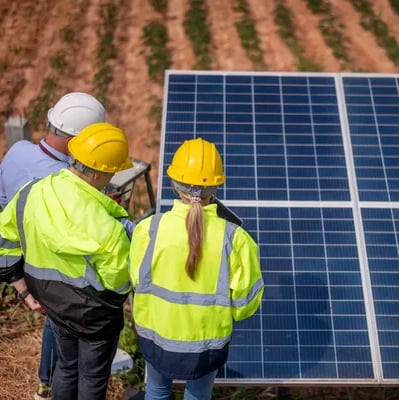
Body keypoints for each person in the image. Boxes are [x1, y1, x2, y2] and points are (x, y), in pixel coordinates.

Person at [0, 122, 133, 400]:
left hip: (52, 303)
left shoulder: (30, 193)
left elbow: (5, 236)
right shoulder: (108, 228)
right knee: (93, 377)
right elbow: (119, 283)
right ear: (99, 173)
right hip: (95, 316)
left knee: (66, 367)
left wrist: (22, 286)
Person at [129, 138, 264, 400]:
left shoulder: (149, 229)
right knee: (198, 395)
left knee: (156, 390)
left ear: (174, 183)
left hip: (155, 337)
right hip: (206, 346)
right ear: (215, 186)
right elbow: (245, 304)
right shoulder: (235, 239)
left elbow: (137, 279)